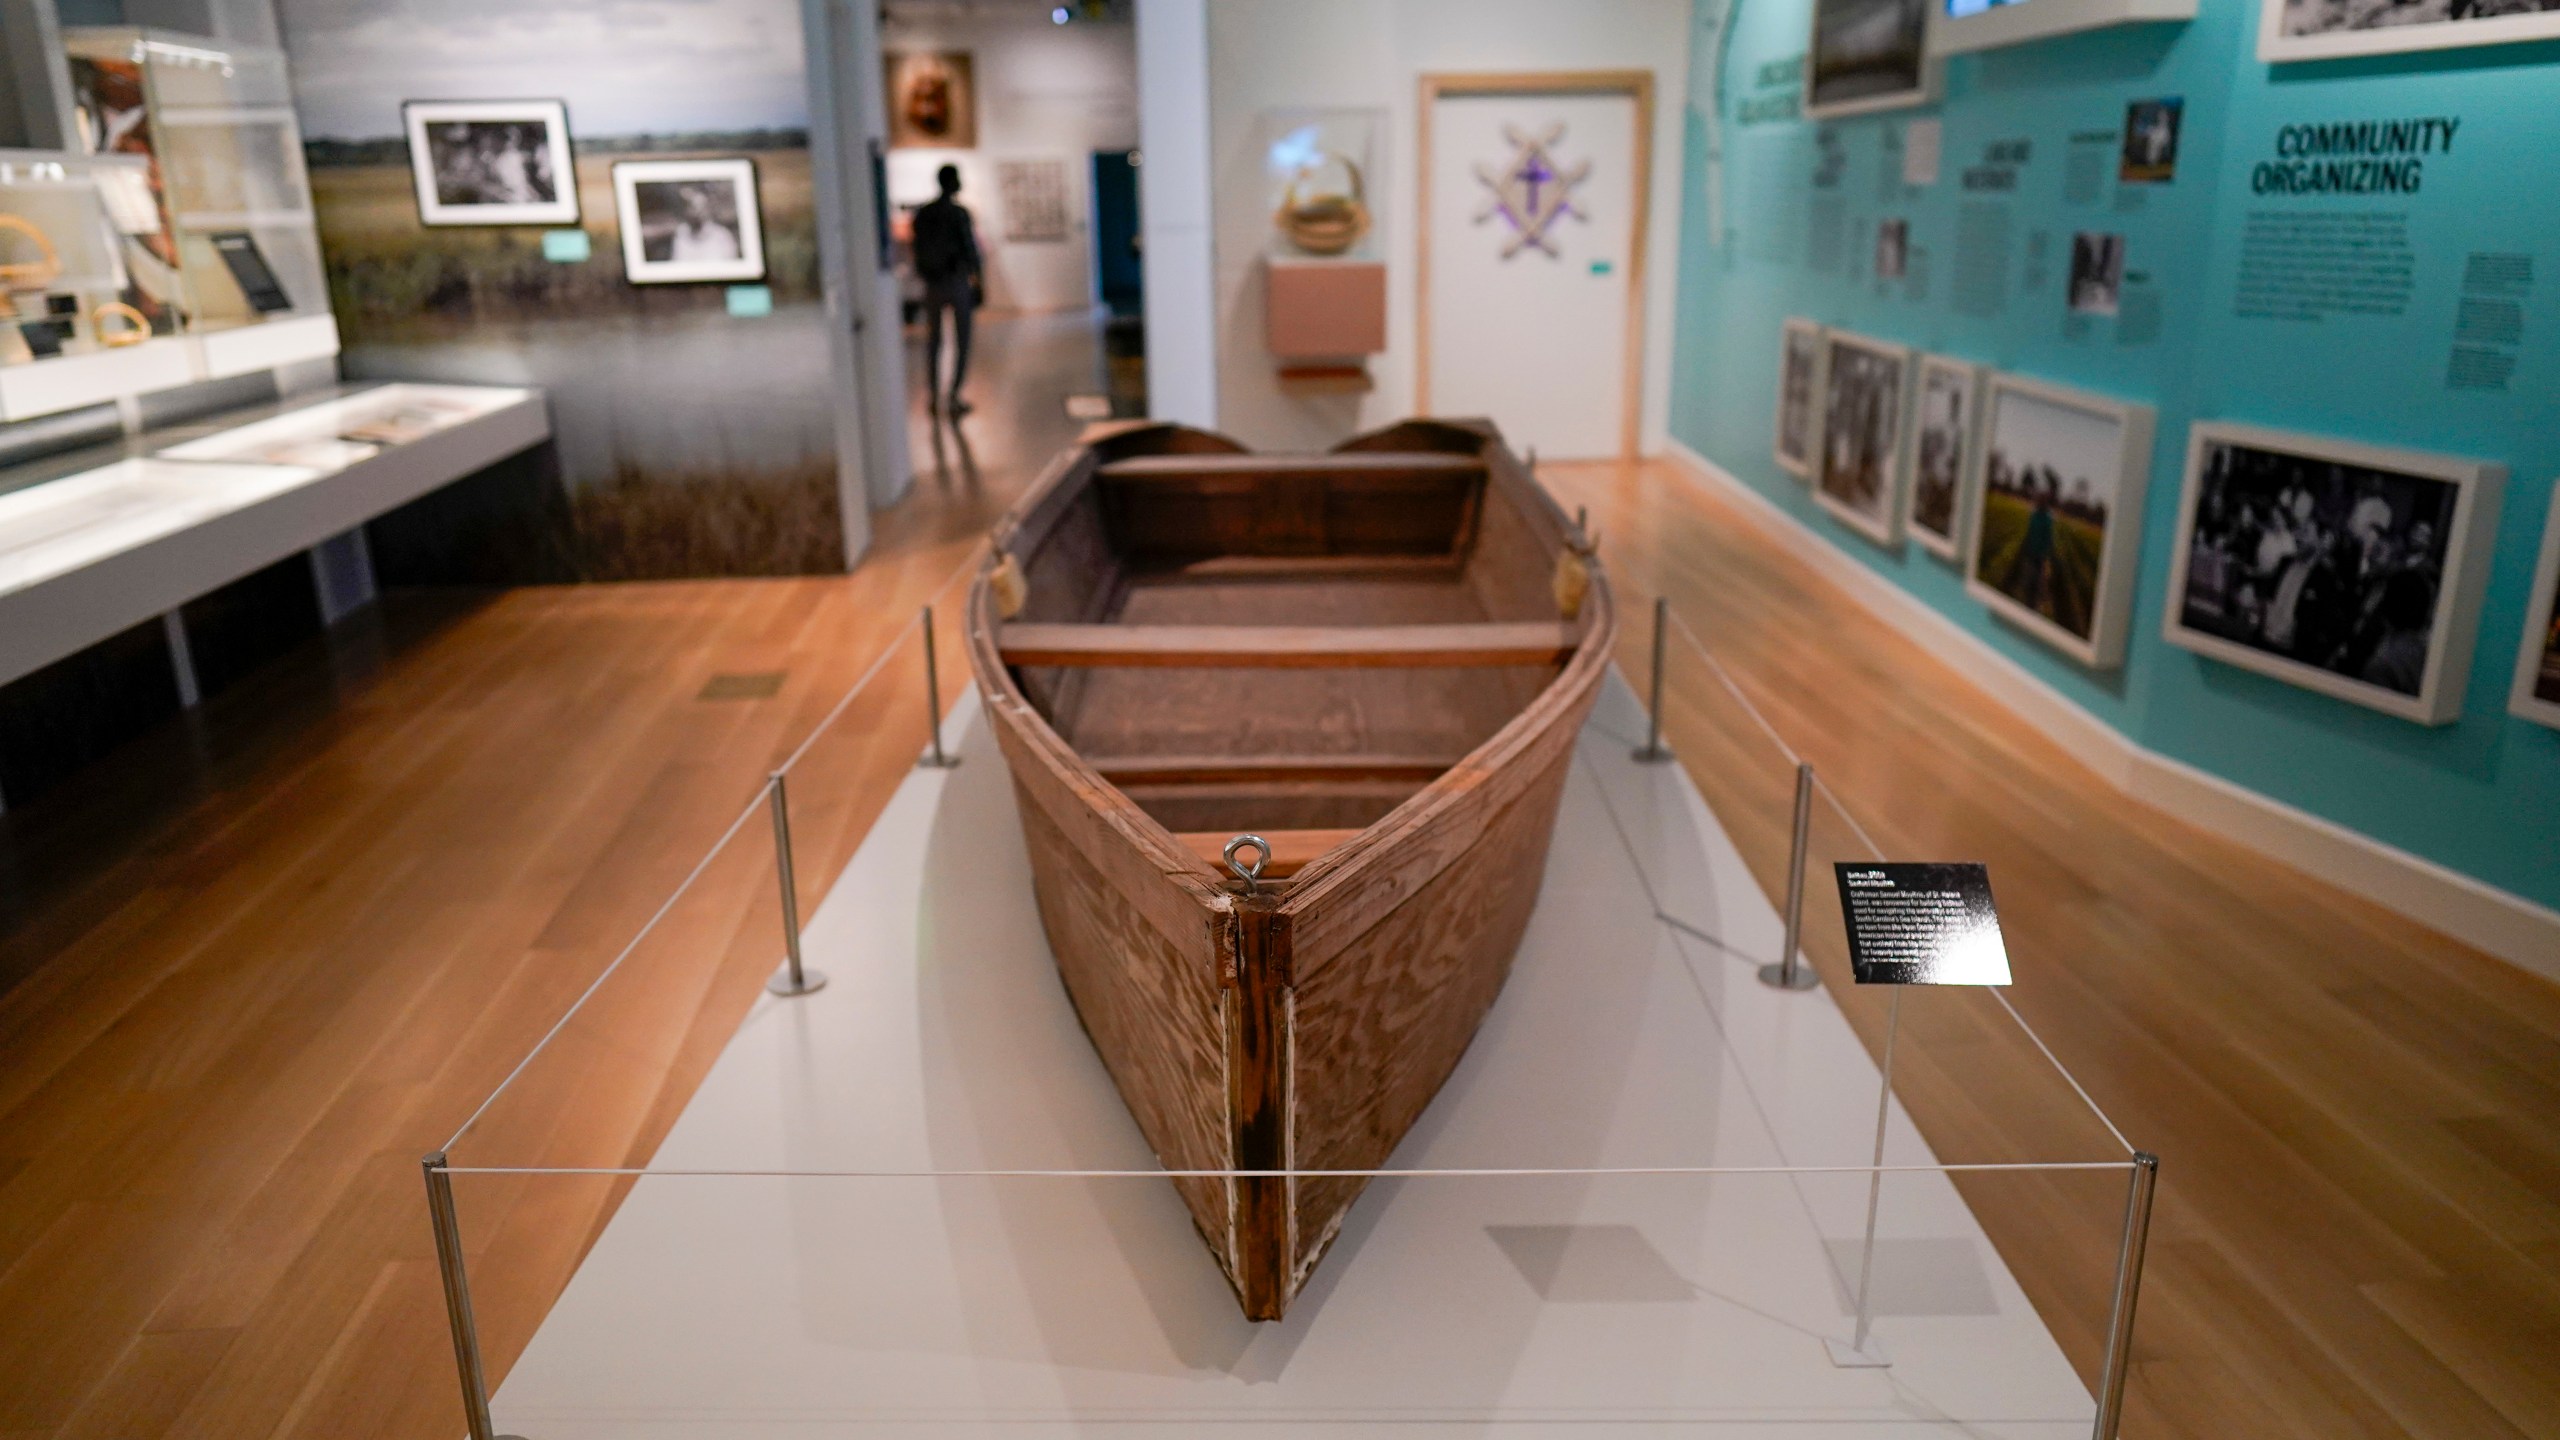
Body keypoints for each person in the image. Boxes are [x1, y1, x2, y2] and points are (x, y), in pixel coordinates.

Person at [911, 164, 983, 417]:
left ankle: (935, 395)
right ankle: (952, 395)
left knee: (934, 341)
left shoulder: (924, 213)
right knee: (962, 340)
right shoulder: (958, 214)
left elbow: (917, 248)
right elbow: (970, 250)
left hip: (934, 283)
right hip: (955, 281)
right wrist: (979, 282)